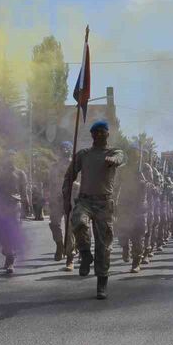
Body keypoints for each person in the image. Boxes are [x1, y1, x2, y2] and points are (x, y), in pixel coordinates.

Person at [63, 120, 126, 299]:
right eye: (95, 132)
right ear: (91, 135)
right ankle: (84, 253)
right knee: (78, 222)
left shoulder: (114, 152)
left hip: (104, 203)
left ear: (107, 134)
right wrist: (65, 200)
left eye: (102, 131)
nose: (98, 134)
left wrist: (112, 161)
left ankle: (102, 282)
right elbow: (69, 177)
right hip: (85, 201)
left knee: (103, 245)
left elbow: (120, 158)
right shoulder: (83, 154)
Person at [116, 153, 149, 273]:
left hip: (139, 205)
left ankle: (136, 262)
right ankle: (125, 247)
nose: (133, 156)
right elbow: (115, 186)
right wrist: (113, 202)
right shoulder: (121, 169)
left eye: (136, 154)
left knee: (137, 235)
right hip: (124, 204)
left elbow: (153, 186)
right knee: (122, 231)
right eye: (131, 153)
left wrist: (143, 182)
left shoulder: (145, 169)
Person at [0, 151, 29, 274]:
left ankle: (11, 259)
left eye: (12, 158)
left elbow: (24, 191)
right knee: (4, 232)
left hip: (15, 204)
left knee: (13, 230)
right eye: (8, 158)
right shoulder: (0, 174)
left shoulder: (20, 174)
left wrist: (27, 205)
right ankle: (7, 253)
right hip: (3, 204)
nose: (10, 161)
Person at [48, 141, 77, 270]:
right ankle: (59, 244)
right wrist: (49, 198)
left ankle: (70, 258)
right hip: (57, 199)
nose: (64, 152)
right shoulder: (54, 167)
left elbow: (83, 184)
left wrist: (74, 184)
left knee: (70, 229)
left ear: (70, 151)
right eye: (62, 150)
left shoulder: (76, 166)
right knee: (54, 224)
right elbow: (50, 183)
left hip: (71, 199)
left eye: (66, 150)